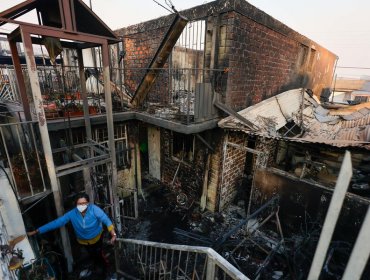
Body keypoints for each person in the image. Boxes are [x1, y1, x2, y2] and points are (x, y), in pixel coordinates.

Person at [27, 193, 117, 274]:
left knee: (98, 254)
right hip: (83, 241)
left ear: (88, 203)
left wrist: (113, 234)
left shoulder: (94, 209)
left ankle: (105, 269)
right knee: (91, 254)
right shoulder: (72, 214)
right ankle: (95, 265)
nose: (82, 205)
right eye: (79, 204)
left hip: (97, 238)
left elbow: (106, 220)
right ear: (76, 205)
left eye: (84, 203)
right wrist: (37, 231)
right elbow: (57, 222)